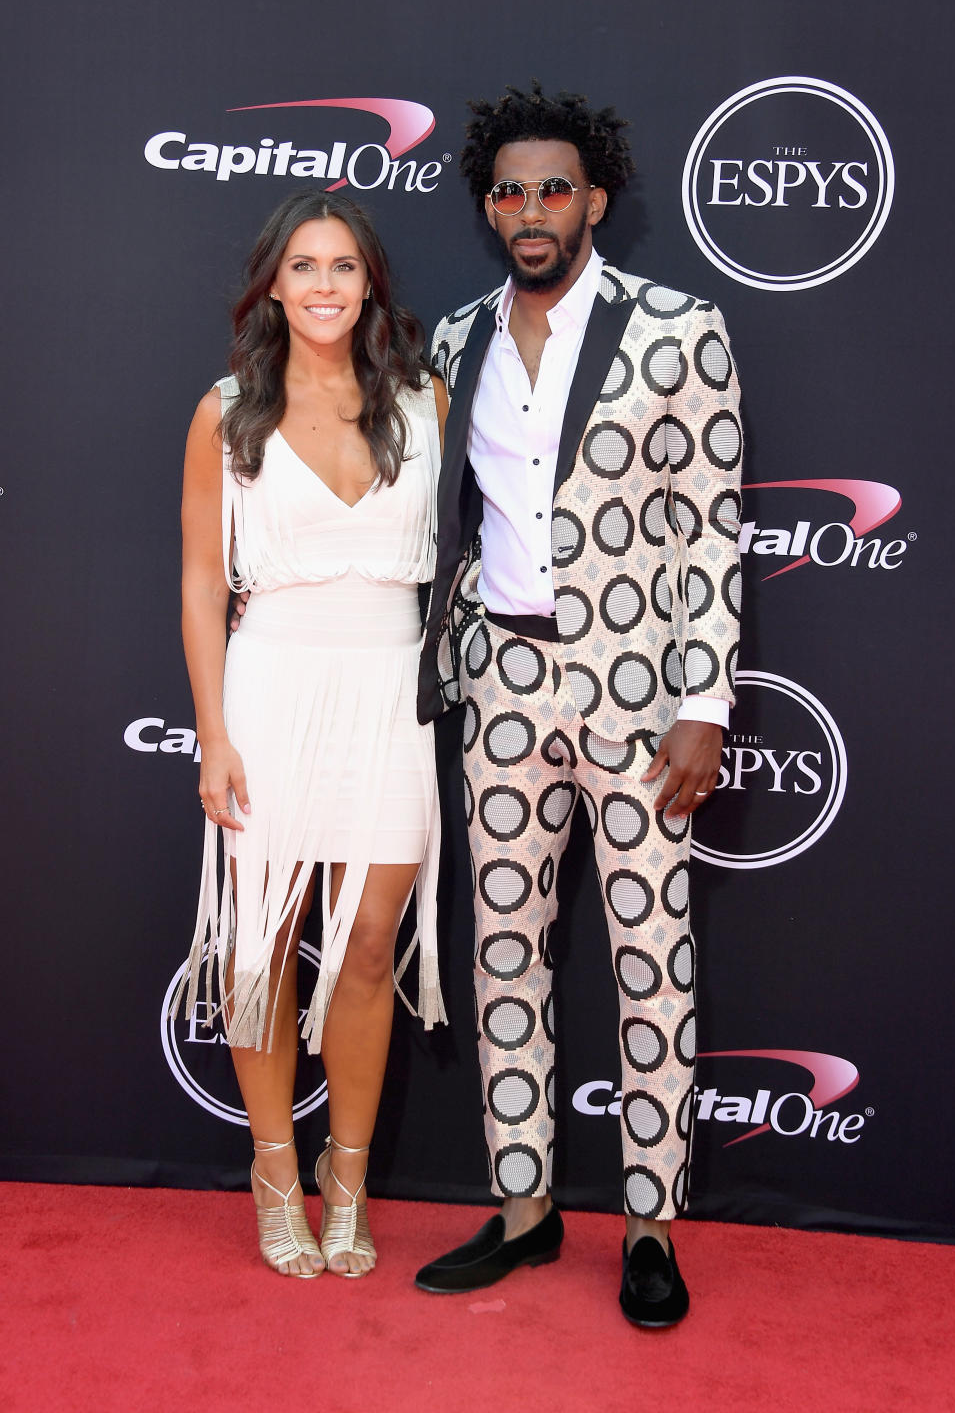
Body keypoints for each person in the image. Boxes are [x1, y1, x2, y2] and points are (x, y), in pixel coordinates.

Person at [414, 84, 743, 1326]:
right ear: (489, 208)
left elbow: (711, 530)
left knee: (652, 958)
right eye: (510, 190)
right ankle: (525, 1209)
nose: (532, 208)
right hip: (502, 686)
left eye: (555, 187)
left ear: (595, 198)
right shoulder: (455, 342)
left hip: (640, 695)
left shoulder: (678, 328)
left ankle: (652, 1225)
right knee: (506, 954)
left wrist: (701, 702)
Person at [177, 189, 447, 1280]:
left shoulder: (424, 400)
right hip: (271, 689)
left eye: (343, 265)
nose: (325, 285)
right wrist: (212, 732)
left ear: (370, 281)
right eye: (303, 266)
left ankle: (349, 1182)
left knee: (371, 944)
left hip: (390, 689)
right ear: (273, 285)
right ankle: (274, 1174)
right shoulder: (227, 408)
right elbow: (201, 579)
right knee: (260, 955)